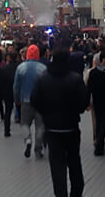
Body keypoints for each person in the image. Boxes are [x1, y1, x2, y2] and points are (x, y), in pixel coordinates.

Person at [31, 47, 88, 197]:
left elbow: (34, 100)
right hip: (71, 128)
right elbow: (84, 101)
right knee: (74, 163)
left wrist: (46, 113)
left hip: (52, 130)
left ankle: (60, 194)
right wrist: (76, 111)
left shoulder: (43, 79)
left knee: (57, 167)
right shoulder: (75, 78)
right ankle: (76, 192)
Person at [13, 44, 46, 159]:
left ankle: (27, 140)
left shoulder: (21, 68)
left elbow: (16, 86)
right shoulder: (43, 68)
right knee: (40, 126)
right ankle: (38, 149)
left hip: (25, 100)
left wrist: (16, 99)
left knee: (24, 124)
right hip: (40, 102)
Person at [1, 52, 19, 137]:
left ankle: (6, 130)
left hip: (7, 91)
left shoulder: (5, 68)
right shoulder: (18, 67)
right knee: (19, 107)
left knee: (7, 111)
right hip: (17, 91)